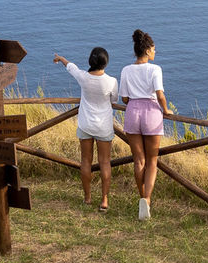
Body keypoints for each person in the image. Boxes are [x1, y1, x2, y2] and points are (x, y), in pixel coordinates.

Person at [54, 47, 119, 211]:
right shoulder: (111, 81)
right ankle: (104, 200)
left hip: (85, 124)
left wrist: (61, 58)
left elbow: (72, 68)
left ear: (91, 61)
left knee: (85, 161)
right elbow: (115, 99)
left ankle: (87, 197)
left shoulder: (83, 77)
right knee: (105, 162)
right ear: (106, 62)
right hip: (103, 126)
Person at [117, 29, 167, 219]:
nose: (155, 52)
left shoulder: (126, 70)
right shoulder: (155, 69)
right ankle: (147, 199)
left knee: (139, 160)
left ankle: (141, 198)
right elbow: (160, 94)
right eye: (153, 49)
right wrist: (167, 110)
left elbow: (124, 97)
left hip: (132, 112)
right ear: (146, 51)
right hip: (152, 112)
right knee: (152, 160)